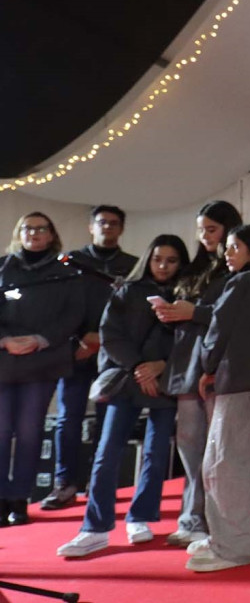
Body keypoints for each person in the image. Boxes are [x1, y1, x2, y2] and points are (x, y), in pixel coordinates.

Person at [57, 235, 191, 557]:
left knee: (156, 454)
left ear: (181, 264)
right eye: (157, 259)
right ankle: (94, 528)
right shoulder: (128, 290)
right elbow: (110, 335)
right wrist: (139, 368)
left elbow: (190, 341)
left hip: (166, 381)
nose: (163, 266)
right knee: (107, 452)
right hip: (127, 380)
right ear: (147, 259)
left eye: (171, 260)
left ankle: (140, 517)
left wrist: (162, 367)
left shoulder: (186, 296)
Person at [185, 224, 250, 572]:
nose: (226, 254)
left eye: (234, 247)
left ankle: (234, 546)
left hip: (239, 381)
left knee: (221, 464)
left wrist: (208, 366)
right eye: (227, 247)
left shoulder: (244, 282)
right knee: (237, 461)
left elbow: (219, 327)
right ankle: (229, 536)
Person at [154, 200, 242, 547]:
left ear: (228, 229)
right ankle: (192, 518)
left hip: (217, 363)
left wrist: (195, 313)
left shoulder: (237, 269)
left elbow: (235, 316)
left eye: (211, 229)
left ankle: (216, 522)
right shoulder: (194, 268)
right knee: (190, 446)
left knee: (217, 450)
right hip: (186, 362)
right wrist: (170, 313)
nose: (205, 236)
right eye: (201, 230)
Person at [41, 205, 138, 511]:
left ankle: (100, 484)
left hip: (114, 355)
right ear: (91, 227)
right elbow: (57, 308)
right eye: (102, 222)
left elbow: (135, 313)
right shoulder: (70, 261)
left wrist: (104, 340)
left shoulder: (133, 266)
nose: (107, 227)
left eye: (113, 223)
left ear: (121, 229)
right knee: (68, 419)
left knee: (108, 422)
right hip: (76, 351)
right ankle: (65, 484)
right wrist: (80, 338)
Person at [0, 213, 84, 527]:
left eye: (41, 229)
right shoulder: (3, 267)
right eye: (28, 228)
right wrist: (5, 340)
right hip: (4, 357)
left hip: (43, 360)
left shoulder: (66, 272)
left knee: (29, 432)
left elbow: (74, 314)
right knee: (0, 431)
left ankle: (19, 498)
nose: (34, 234)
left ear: (51, 235)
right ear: (18, 233)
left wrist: (40, 339)